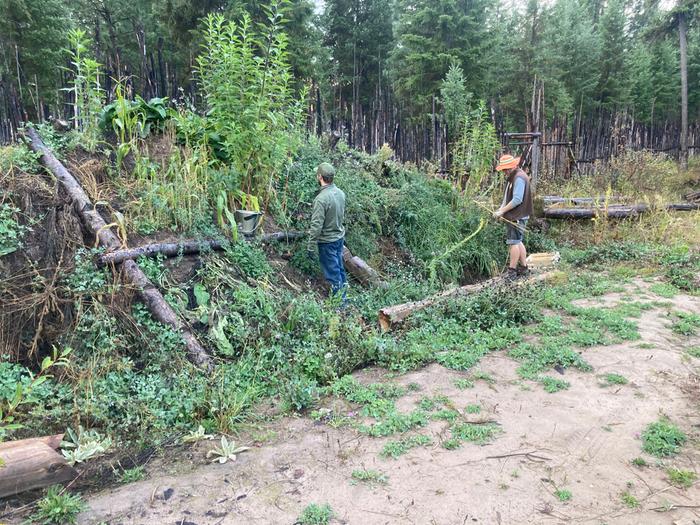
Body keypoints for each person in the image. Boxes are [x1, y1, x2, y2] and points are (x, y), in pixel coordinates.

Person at [307, 162, 348, 302]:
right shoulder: (340, 194)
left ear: (319, 177)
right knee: (340, 270)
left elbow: (316, 225)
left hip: (327, 242)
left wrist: (310, 246)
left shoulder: (321, 199)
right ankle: (344, 298)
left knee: (333, 274)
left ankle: (340, 306)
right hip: (338, 238)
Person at [492, 154, 534, 280]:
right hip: (516, 215)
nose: (504, 172)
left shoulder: (519, 178)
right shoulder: (513, 177)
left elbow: (517, 199)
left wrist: (502, 211)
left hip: (517, 216)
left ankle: (512, 272)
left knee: (513, 243)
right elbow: (507, 197)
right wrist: (501, 210)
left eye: (505, 169)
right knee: (518, 241)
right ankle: (524, 268)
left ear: (511, 167)